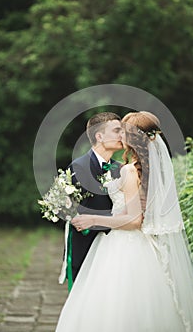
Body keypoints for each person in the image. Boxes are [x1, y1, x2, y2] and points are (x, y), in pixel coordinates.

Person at [56, 111, 193, 332]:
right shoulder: (146, 168)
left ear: (132, 137)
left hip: (122, 244)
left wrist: (93, 219)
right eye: (117, 130)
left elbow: (134, 219)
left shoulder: (128, 170)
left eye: (123, 130)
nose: (120, 134)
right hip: (142, 245)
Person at [59, 112, 143, 289]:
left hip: (114, 247)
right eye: (116, 130)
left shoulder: (121, 168)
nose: (122, 135)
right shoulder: (78, 167)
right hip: (85, 246)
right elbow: (62, 205)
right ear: (99, 136)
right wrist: (74, 218)